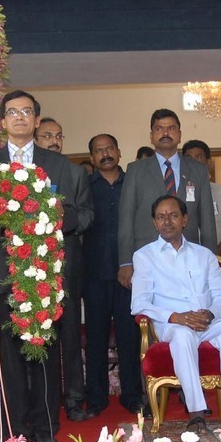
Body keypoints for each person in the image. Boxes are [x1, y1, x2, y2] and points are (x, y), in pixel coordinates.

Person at [0, 90, 94, 442]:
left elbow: (84, 214)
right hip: (5, 274)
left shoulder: (61, 166)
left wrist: (53, 218)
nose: (19, 117)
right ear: (2, 121)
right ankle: (13, 429)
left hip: (47, 275)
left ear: (37, 120)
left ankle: (46, 428)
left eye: (26, 112)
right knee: (10, 359)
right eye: (12, 112)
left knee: (45, 356)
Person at [132, 195, 221, 431]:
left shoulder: (204, 255)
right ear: (154, 223)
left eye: (173, 215)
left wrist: (210, 314)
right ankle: (196, 413)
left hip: (208, 321)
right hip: (173, 324)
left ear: (184, 220)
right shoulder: (144, 256)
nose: (167, 221)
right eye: (160, 217)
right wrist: (176, 317)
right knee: (183, 337)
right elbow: (139, 303)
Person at [117, 109, 216, 292]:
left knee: (191, 310)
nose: (165, 133)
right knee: (152, 313)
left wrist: (211, 260)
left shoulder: (197, 170)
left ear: (179, 135)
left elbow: (208, 220)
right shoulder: (135, 170)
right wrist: (125, 261)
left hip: (190, 257)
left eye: (171, 128)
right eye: (159, 129)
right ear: (151, 136)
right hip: (148, 257)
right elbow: (126, 219)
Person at [83, 134, 143, 417]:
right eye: (98, 151)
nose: (105, 154)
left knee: (129, 336)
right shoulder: (84, 185)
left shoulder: (133, 183)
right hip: (93, 272)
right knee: (95, 337)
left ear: (119, 152)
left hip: (129, 272)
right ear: (92, 158)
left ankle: (133, 395)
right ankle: (96, 397)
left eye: (109, 149)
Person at [181, 139, 221, 253]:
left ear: (209, 163)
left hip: (219, 260)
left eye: (198, 157)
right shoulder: (176, 195)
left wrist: (214, 256)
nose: (193, 162)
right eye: (188, 158)